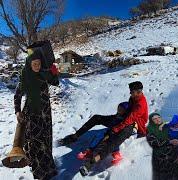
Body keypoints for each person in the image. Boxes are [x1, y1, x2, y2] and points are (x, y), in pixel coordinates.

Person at [79, 81, 149, 176]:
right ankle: (88, 147)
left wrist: (117, 128)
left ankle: (89, 165)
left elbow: (130, 119)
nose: (130, 94)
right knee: (103, 127)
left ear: (138, 91)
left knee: (113, 140)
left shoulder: (141, 104)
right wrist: (118, 116)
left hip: (134, 126)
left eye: (132, 92)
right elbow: (127, 113)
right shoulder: (133, 98)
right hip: (124, 121)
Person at [14, 50, 59, 179]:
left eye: (38, 63)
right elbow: (17, 95)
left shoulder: (43, 74)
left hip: (46, 113)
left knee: (46, 141)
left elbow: (55, 82)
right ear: (29, 64)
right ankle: (39, 173)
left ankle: (48, 169)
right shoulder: (26, 78)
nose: (37, 66)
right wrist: (17, 111)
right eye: (34, 64)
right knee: (36, 143)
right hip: (33, 115)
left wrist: (54, 73)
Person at [58, 102, 130, 164]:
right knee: (99, 134)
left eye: (122, 109)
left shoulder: (125, 120)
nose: (119, 110)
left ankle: (116, 154)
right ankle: (89, 151)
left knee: (113, 139)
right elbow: (112, 118)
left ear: (125, 111)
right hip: (111, 128)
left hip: (117, 131)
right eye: (119, 108)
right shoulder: (116, 116)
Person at [147, 113, 178, 180]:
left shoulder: (168, 127)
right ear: (151, 121)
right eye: (155, 119)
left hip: (174, 156)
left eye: (159, 117)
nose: (158, 119)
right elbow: (154, 142)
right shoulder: (150, 130)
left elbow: (176, 141)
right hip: (161, 160)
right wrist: (169, 141)